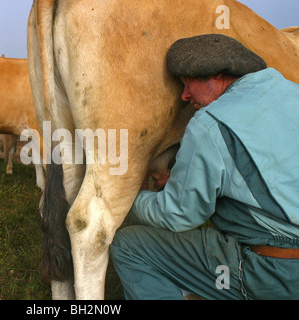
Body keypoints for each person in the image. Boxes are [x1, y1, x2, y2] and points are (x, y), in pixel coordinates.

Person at [110, 34, 299, 300]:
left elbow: (179, 215)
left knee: (130, 246)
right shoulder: (291, 91)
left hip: (276, 272)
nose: (185, 96)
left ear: (216, 76)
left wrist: (133, 200)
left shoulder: (209, 124)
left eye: (188, 83)